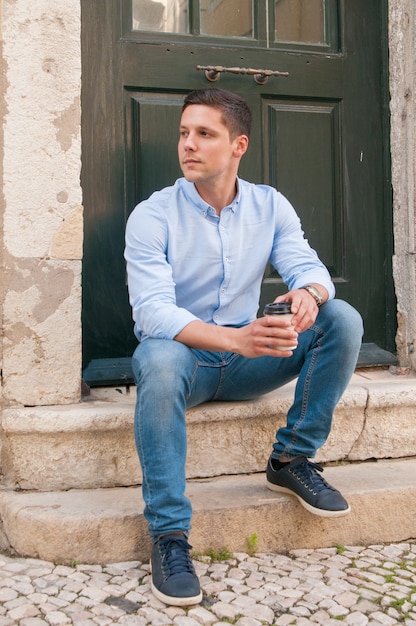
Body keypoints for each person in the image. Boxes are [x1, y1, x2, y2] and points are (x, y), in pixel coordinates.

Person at [124, 88, 363, 607]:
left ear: (238, 145)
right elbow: (153, 313)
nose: (188, 144)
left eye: (204, 134)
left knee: (340, 318)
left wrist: (309, 293)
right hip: (187, 364)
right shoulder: (153, 215)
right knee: (159, 359)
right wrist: (237, 338)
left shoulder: (268, 205)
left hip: (248, 364)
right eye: (184, 133)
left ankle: (291, 458)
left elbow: (310, 267)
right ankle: (168, 537)